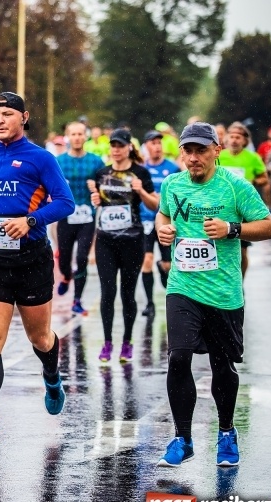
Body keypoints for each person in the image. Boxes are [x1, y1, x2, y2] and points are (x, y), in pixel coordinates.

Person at [155, 122, 271, 467]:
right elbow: (164, 214)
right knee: (178, 357)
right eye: (188, 151)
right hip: (182, 286)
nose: (193, 158)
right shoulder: (172, 184)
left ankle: (226, 432)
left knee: (222, 365)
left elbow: (269, 227)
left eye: (200, 150)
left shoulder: (235, 187)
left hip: (223, 292)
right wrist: (163, 230)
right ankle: (182, 437)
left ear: (216, 150)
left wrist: (231, 229)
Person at [0, 92, 75, 445]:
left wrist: (30, 220)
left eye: (7, 114)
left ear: (23, 117)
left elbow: (65, 203)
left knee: (39, 337)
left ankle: (52, 375)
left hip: (32, 260)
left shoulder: (40, 158)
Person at [89, 128, 158, 363]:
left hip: (132, 241)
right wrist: (96, 200)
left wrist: (140, 190)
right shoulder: (102, 173)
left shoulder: (140, 173)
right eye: (113, 145)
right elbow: (99, 203)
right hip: (106, 240)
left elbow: (154, 204)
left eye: (120, 145)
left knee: (128, 294)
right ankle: (107, 343)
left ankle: (127, 342)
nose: (116, 150)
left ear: (129, 147)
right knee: (107, 293)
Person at [55, 121, 105, 315]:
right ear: (68, 137)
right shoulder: (59, 161)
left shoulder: (96, 162)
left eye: (80, 134)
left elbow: (106, 187)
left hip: (87, 217)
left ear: (86, 136)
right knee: (64, 260)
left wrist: (98, 190)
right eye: (73, 134)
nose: (77, 137)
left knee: (82, 257)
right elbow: (50, 185)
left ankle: (77, 299)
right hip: (66, 217)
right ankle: (66, 276)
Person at [218, 122, 269, 276]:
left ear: (244, 141)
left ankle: (240, 282)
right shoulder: (220, 156)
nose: (234, 140)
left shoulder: (253, 158)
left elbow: (264, 179)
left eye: (238, 137)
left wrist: (250, 183)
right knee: (221, 246)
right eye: (231, 137)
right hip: (222, 205)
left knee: (241, 250)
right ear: (226, 139)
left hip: (243, 208)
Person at [140, 130, 181, 316]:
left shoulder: (172, 169)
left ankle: (165, 273)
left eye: (159, 143)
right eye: (153, 143)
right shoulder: (141, 170)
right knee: (146, 260)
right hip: (147, 221)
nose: (157, 146)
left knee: (168, 265)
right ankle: (149, 304)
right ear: (146, 146)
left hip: (166, 222)